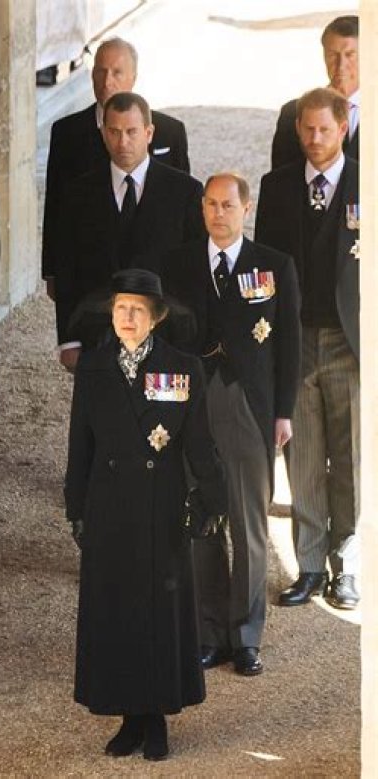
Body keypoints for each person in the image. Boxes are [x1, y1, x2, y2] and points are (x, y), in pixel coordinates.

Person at [65, 268, 227, 761]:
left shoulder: (183, 369)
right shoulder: (93, 369)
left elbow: (200, 445)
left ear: (156, 317)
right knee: (116, 613)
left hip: (162, 507)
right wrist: (77, 510)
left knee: (157, 614)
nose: (127, 317)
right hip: (110, 507)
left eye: (137, 309)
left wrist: (209, 504)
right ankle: (127, 718)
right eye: (120, 308)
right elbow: (81, 447)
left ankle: (156, 719)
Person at [165, 173, 301, 675]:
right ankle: (210, 632)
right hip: (194, 401)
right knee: (202, 515)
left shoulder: (273, 267)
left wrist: (282, 411)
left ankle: (246, 637)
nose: (218, 213)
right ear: (201, 208)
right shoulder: (179, 263)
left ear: (247, 208)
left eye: (228, 205)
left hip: (249, 402)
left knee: (247, 524)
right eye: (210, 204)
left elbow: (290, 345)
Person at [255, 88, 360, 610]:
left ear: (343, 128)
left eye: (324, 129)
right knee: (302, 457)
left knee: (351, 458)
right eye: (307, 129)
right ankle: (310, 565)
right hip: (296, 341)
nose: (315, 139)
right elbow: (268, 269)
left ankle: (348, 562)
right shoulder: (275, 188)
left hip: (350, 341)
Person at [54, 91, 204, 372]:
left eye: (132, 132)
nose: (122, 142)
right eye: (114, 132)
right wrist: (68, 340)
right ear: (103, 133)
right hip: (97, 334)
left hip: (166, 333)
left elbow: (196, 268)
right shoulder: (77, 194)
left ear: (149, 133)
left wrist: (194, 336)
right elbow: (66, 270)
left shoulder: (185, 192)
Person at [43, 37, 190, 298]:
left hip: (154, 275)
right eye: (100, 71)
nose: (107, 80)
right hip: (93, 268)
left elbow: (183, 205)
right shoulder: (67, 133)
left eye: (117, 72)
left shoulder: (170, 132)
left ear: (133, 76)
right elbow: (55, 203)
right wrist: (52, 271)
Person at [270, 15, 359, 169]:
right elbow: (280, 183)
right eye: (333, 55)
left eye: (350, 55)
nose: (341, 65)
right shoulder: (292, 114)